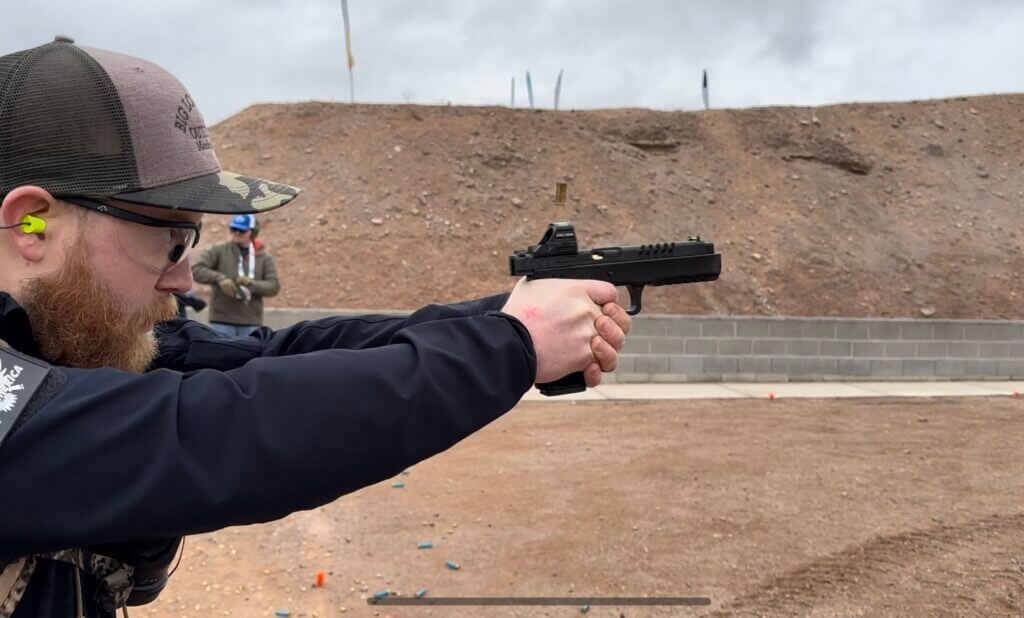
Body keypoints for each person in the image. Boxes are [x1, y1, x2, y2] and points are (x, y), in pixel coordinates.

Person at [0, 38, 631, 617]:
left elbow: (283, 355)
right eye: (169, 238)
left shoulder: (65, 343)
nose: (183, 280)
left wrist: (511, 313)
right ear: (34, 224)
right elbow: (229, 428)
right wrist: (510, 346)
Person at [192, 213, 279, 336]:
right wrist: (220, 279)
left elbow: (273, 287)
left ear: (252, 232)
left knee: (250, 355)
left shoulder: (264, 257)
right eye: (234, 229)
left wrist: (251, 283)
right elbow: (196, 269)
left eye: (242, 230)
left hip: (251, 321)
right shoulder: (219, 250)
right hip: (221, 320)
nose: (236, 233)